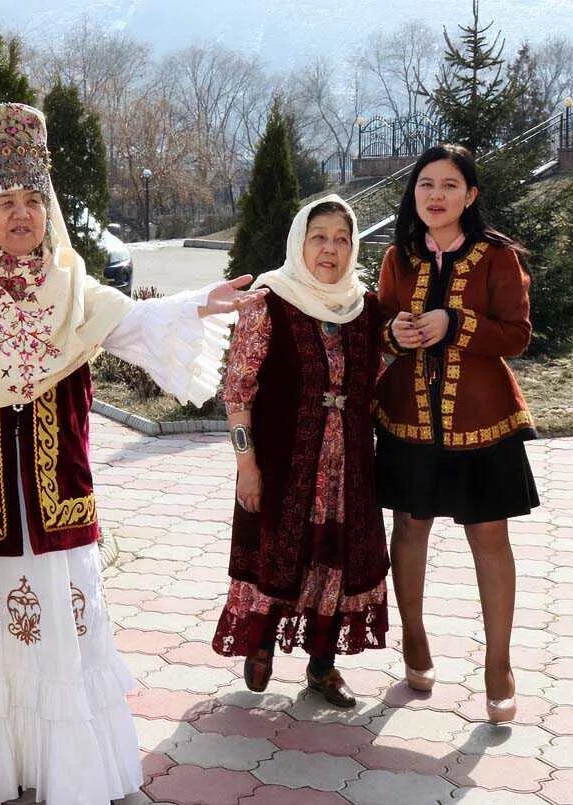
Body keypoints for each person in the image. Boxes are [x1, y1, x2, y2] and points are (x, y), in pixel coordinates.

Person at [0, 102, 250, 805]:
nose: (21, 214)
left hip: (51, 501)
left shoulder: (70, 284)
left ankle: (52, 759)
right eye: (5, 201)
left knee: (56, 642)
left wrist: (199, 301)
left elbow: (134, 324)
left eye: (33, 200)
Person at [376, 143, 538, 724]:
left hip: (481, 420)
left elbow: (516, 334)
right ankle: (414, 639)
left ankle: (499, 663)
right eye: (425, 184)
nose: (435, 196)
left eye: (449, 185)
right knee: (410, 528)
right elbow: (380, 326)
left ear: (470, 196)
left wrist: (456, 323)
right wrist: (395, 330)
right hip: (409, 420)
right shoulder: (399, 257)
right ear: (413, 193)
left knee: (489, 539)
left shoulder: (497, 257)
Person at [212, 196, 390, 708]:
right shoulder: (270, 299)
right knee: (278, 552)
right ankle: (262, 643)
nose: (330, 249)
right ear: (299, 242)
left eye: (341, 238)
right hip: (284, 463)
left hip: (346, 466)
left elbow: (371, 379)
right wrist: (246, 465)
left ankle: (322, 667)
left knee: (334, 561)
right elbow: (238, 390)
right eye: (319, 237)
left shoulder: (364, 307)